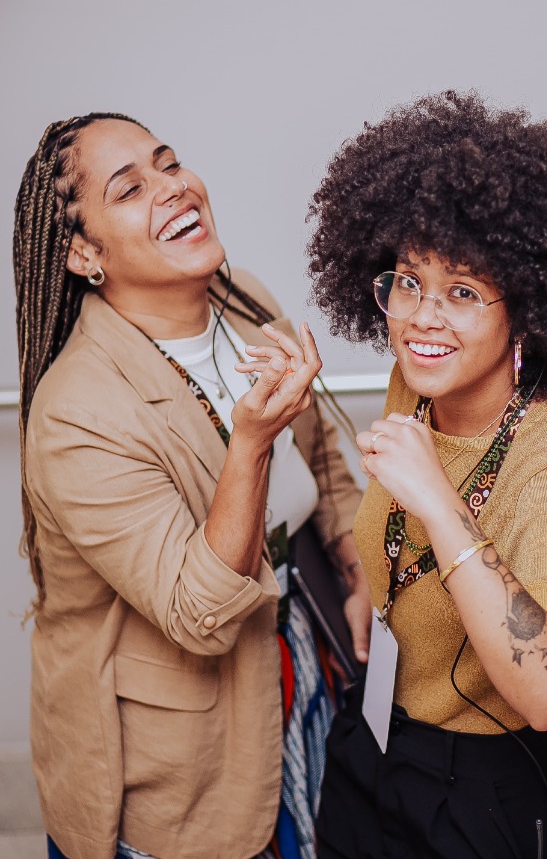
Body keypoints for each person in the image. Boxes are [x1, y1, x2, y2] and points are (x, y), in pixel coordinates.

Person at [306, 90, 547, 859]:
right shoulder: (420, 381)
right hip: (374, 741)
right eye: (408, 281)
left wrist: (440, 505)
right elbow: (394, 520)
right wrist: (375, 585)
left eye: (462, 292)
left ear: (525, 312)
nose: (420, 317)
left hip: (488, 790)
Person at [13, 112, 371, 859]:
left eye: (169, 163)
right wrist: (250, 443)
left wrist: (357, 564)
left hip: (303, 661)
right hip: (180, 752)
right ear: (83, 253)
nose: (173, 188)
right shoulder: (76, 412)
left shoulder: (245, 301)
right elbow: (200, 614)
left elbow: (321, 462)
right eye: (129, 188)